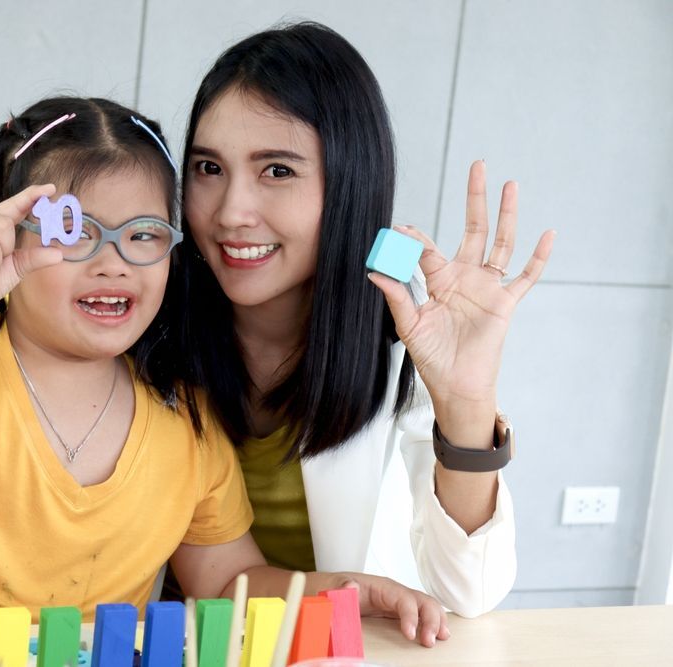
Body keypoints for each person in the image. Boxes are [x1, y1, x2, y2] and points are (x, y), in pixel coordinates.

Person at [0, 95, 449, 639]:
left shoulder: (185, 418)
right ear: (7, 235)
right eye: (74, 232)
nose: (113, 262)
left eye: (144, 233)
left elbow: (225, 581)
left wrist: (344, 590)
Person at [142, 22, 555, 630]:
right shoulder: (147, 307)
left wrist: (466, 403)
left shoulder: (405, 318)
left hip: (334, 643)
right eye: (209, 167)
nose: (231, 212)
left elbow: (471, 589)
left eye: (277, 171)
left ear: (349, 185)